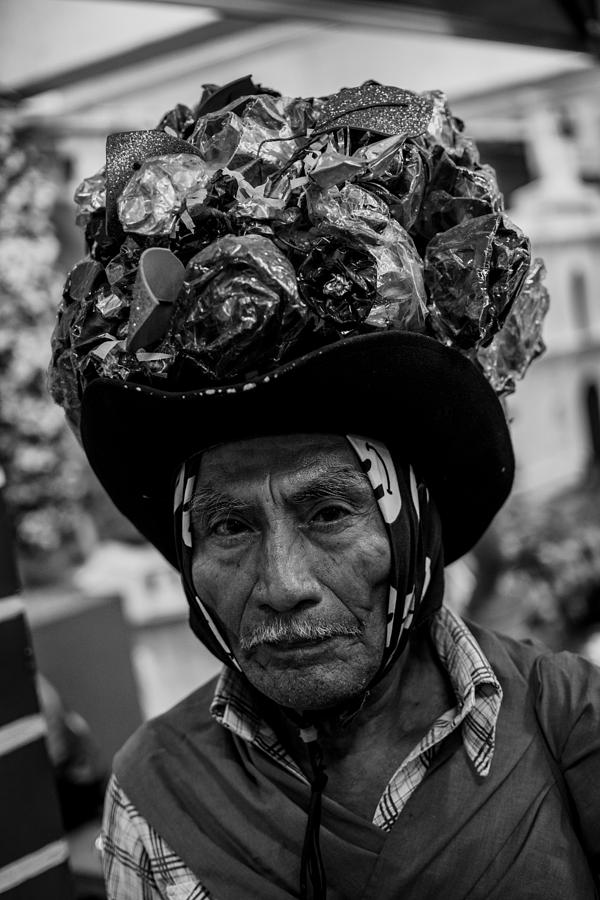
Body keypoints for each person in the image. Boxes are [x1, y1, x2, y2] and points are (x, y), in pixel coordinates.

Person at [49, 78, 600, 898]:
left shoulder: (568, 725)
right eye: (229, 528)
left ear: (413, 529)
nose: (284, 587)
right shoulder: (158, 795)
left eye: (332, 511)